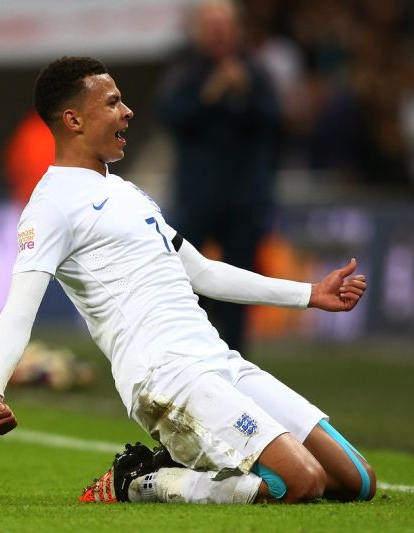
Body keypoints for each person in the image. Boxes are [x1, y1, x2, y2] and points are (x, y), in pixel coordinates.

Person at [0, 56, 375, 505]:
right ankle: (143, 482)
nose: (127, 111)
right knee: (300, 483)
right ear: (73, 120)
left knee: (357, 481)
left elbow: (203, 272)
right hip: (165, 377)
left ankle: (177, 468)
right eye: (112, 102)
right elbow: (19, 308)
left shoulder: (127, 192)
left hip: (216, 359)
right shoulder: (50, 206)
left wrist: (310, 294)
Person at [157, 0, 281, 356]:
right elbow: (171, 118)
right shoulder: (184, 71)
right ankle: (182, 352)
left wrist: (245, 92)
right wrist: (210, 93)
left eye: (224, 25)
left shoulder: (256, 71)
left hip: (244, 195)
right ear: (199, 30)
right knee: (182, 276)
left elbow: (275, 120)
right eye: (212, 26)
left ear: (237, 29)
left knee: (240, 281)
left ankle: (237, 357)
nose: (219, 33)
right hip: (196, 194)